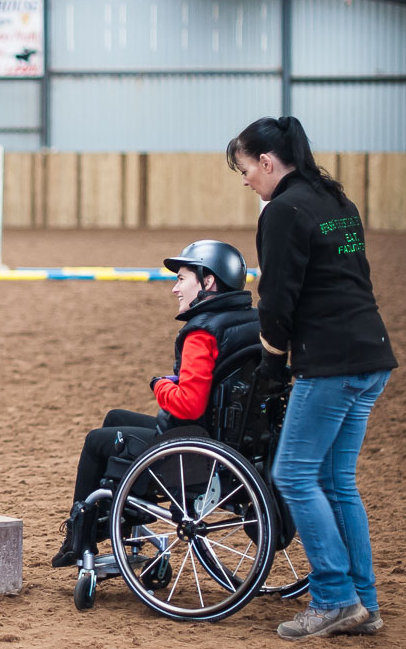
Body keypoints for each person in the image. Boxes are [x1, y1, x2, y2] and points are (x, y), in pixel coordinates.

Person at [227, 115, 396, 640]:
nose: (246, 181)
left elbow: (276, 300)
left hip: (331, 363)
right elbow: (355, 277)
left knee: (295, 475)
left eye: (245, 170)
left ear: (268, 162)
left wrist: (273, 365)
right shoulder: (337, 201)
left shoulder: (282, 211)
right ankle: (362, 601)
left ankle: (334, 598)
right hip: (371, 356)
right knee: (335, 481)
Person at [51, 240, 258, 568]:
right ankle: (116, 520)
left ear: (209, 282)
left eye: (182, 279)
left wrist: (160, 385)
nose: (175, 289)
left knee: (96, 442)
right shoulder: (247, 321)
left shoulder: (202, 332)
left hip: (193, 450)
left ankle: (80, 536)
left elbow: (187, 405)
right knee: (115, 417)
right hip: (226, 438)